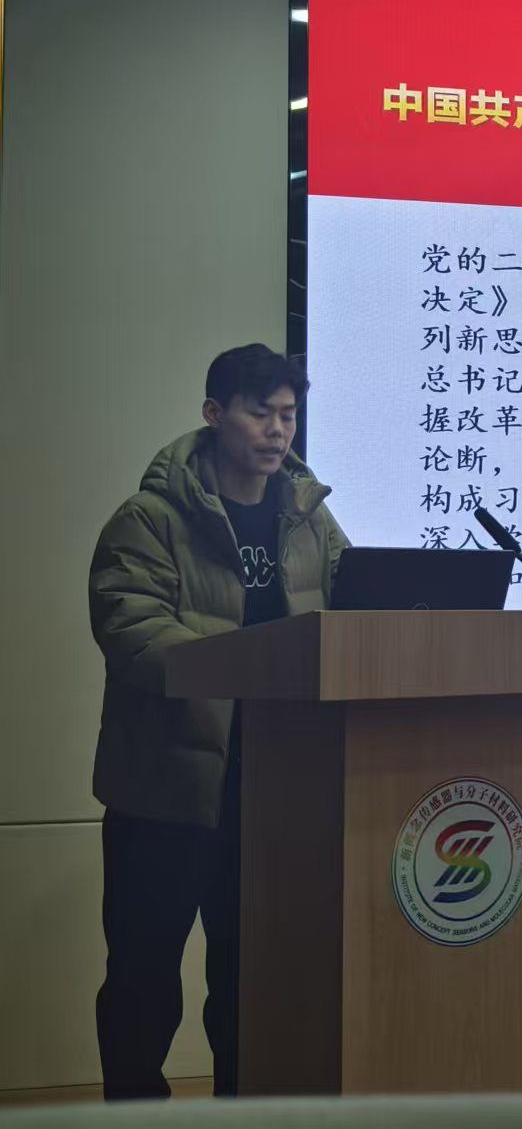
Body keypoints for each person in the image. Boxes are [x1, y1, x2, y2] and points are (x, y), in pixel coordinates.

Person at [88, 344, 348, 1099]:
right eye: (260, 413)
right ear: (213, 414)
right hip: (166, 791)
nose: (278, 430)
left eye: (288, 415)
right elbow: (132, 630)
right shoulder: (150, 519)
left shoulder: (308, 518)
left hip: (272, 795)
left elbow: (354, 608)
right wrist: (248, 664)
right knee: (142, 982)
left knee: (250, 981)